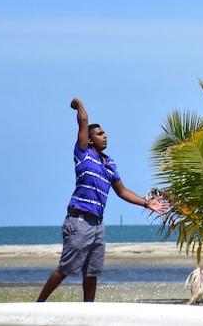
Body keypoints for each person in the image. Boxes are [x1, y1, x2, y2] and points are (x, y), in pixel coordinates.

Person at [37, 98, 168, 302]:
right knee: (66, 268)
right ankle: (38, 305)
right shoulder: (83, 154)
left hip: (97, 224)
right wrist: (79, 104)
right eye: (99, 134)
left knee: (92, 272)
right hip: (79, 221)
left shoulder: (110, 163)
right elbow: (83, 121)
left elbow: (122, 191)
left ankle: (88, 310)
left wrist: (146, 202)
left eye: (104, 133)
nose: (105, 136)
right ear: (90, 140)